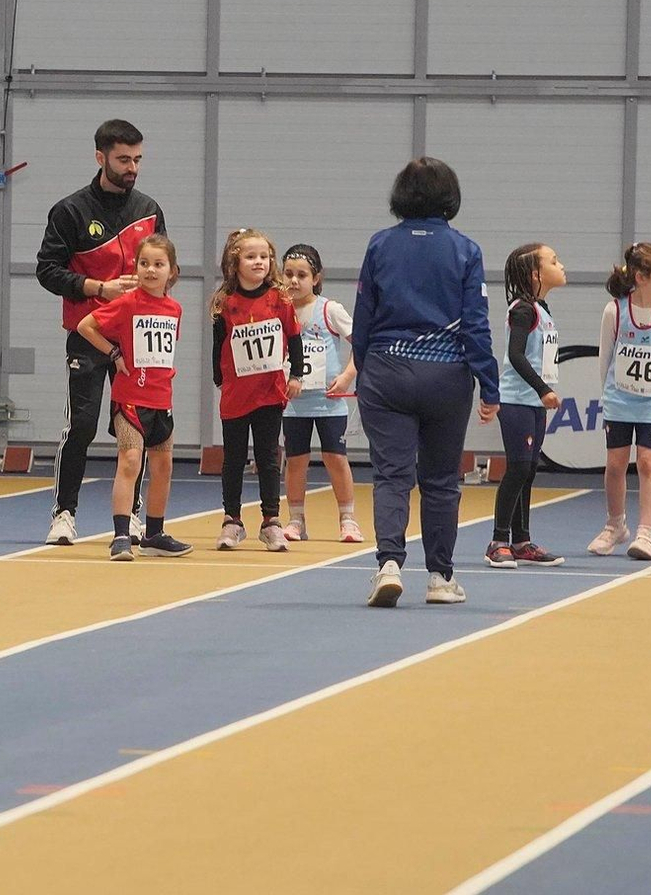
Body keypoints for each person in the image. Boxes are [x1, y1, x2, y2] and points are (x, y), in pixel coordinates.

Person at [353, 158, 499, 607]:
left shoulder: (379, 246)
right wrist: (489, 384)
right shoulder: (466, 250)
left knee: (391, 476)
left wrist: (366, 370)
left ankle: (389, 565)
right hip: (445, 377)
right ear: (449, 198)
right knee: (440, 480)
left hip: (386, 371)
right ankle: (439, 577)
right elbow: (476, 324)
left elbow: (363, 319)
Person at [35, 119, 165, 546]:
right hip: (89, 334)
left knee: (136, 428)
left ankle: (134, 514)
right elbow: (47, 270)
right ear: (100, 158)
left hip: (137, 338)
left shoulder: (148, 210)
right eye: (124, 159)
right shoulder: (70, 211)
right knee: (83, 425)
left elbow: (165, 263)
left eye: (138, 160)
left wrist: (154, 290)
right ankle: (64, 513)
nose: (132, 168)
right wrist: (97, 288)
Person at [75, 234, 193, 561]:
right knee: (129, 462)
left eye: (158, 264)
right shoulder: (128, 303)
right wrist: (114, 353)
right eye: (144, 264)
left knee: (164, 467)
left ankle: (154, 533)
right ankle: (121, 535)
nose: (151, 270)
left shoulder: (174, 309)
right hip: (130, 400)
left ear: (172, 271)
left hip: (161, 400)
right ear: (136, 267)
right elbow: (87, 326)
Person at [588, 242, 651, 561]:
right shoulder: (615, 310)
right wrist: (609, 396)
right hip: (619, 399)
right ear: (642, 277)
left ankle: (645, 532)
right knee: (615, 464)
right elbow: (605, 358)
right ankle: (615, 525)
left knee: (646, 462)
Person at [211, 229, 302, 552]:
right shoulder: (226, 303)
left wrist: (297, 374)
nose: (259, 262)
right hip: (236, 393)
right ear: (235, 263)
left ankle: (271, 521)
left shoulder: (280, 300)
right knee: (233, 459)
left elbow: (294, 338)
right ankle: (232, 520)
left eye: (264, 256)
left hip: (269, 392)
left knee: (268, 457)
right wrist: (218, 378)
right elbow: (218, 343)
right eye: (251, 257)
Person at [486, 243, 567, 568]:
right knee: (518, 467)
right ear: (535, 273)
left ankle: (521, 540)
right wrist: (543, 389)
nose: (561, 266)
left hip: (533, 403)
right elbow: (516, 355)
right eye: (554, 261)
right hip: (518, 400)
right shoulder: (522, 310)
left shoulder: (541, 309)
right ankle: (498, 540)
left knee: (529, 470)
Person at [279, 243, 364, 545]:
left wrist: (346, 377)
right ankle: (296, 519)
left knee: (335, 458)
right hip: (294, 403)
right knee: (296, 460)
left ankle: (348, 520)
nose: (294, 280)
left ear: (316, 277)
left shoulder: (329, 310)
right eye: (288, 273)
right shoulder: (279, 310)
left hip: (329, 401)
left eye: (302, 274)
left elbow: (361, 343)